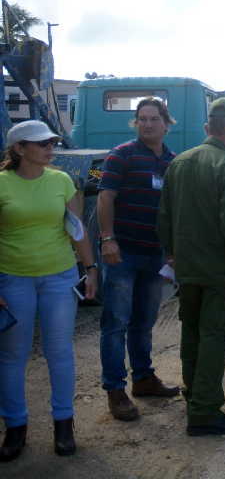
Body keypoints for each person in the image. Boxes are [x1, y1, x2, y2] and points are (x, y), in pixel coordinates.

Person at [0, 121, 98, 461]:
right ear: (19, 149)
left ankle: (63, 424)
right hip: (13, 279)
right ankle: (15, 428)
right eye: (41, 144)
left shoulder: (61, 182)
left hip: (59, 278)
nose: (49, 148)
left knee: (59, 352)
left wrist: (91, 269)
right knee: (13, 356)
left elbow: (76, 229)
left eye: (51, 142)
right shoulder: (1, 185)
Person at [157, 98, 225, 436]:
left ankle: (193, 392)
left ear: (207, 127)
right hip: (218, 270)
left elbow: (164, 216)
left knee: (192, 331)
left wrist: (172, 253)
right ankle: (205, 410)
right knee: (213, 335)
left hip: (187, 267)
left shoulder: (179, 163)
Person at [97, 97, 181, 422]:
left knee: (144, 322)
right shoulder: (121, 155)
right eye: (141, 119)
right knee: (115, 323)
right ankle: (115, 390)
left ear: (166, 123)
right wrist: (107, 239)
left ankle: (144, 379)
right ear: (136, 123)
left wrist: (172, 251)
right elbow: (105, 197)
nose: (147, 124)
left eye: (153, 118)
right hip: (123, 254)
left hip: (155, 255)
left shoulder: (173, 161)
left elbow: (173, 211)